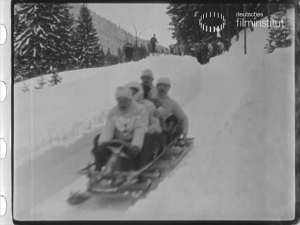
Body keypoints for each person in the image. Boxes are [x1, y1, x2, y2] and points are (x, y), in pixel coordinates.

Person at [92, 86, 148, 172]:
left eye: (124, 101)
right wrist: (103, 142)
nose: (121, 104)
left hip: (132, 144)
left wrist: (136, 146)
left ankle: (140, 169)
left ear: (130, 99)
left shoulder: (140, 110)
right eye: (119, 101)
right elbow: (108, 129)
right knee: (97, 138)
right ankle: (98, 168)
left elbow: (140, 130)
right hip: (118, 141)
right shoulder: (113, 112)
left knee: (148, 138)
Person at [156, 77, 189, 143]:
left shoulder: (172, 103)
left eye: (165, 86)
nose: (162, 88)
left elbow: (184, 118)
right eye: (160, 85)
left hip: (163, 128)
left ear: (169, 88)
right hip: (150, 125)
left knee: (173, 118)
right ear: (156, 87)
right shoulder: (151, 99)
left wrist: (185, 134)